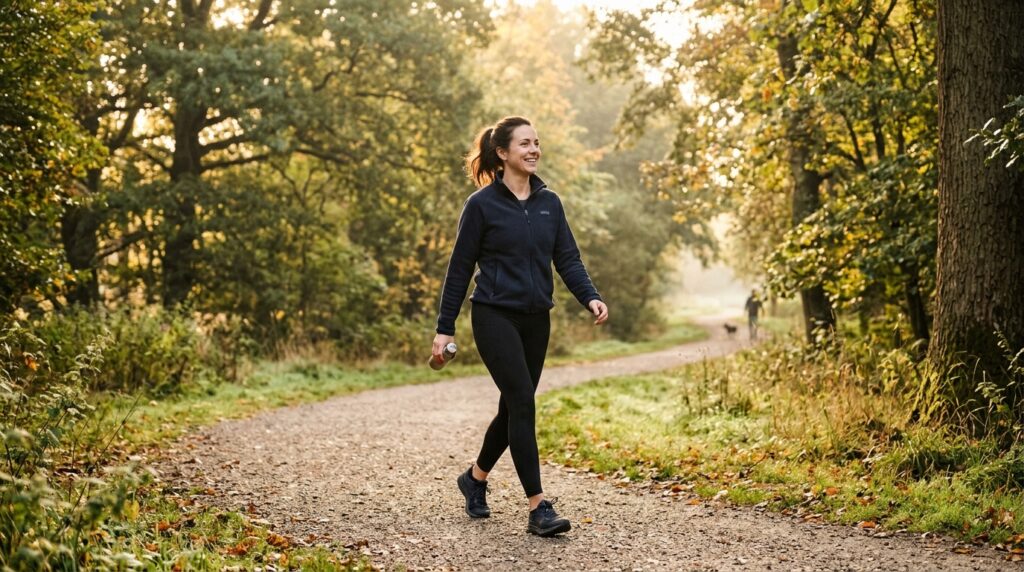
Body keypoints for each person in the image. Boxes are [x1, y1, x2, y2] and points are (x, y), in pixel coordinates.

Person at [432, 116, 609, 537]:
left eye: (537, 143)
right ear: (503, 153)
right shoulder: (481, 205)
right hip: (493, 314)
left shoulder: (550, 203)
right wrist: (445, 328)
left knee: (513, 406)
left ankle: (474, 479)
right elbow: (459, 270)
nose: (534, 150)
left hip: (536, 318)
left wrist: (590, 295)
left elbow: (567, 257)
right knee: (523, 403)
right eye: (525, 143)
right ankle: (538, 507)